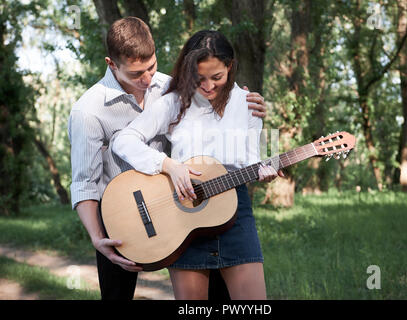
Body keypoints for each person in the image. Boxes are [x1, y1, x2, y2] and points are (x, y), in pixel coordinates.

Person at [68, 17, 268, 300]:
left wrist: (247, 105)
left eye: (151, 67)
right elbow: (84, 182)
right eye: (137, 74)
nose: (148, 79)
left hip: (183, 209)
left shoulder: (173, 86)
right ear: (112, 64)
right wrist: (97, 237)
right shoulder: (87, 111)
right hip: (120, 216)